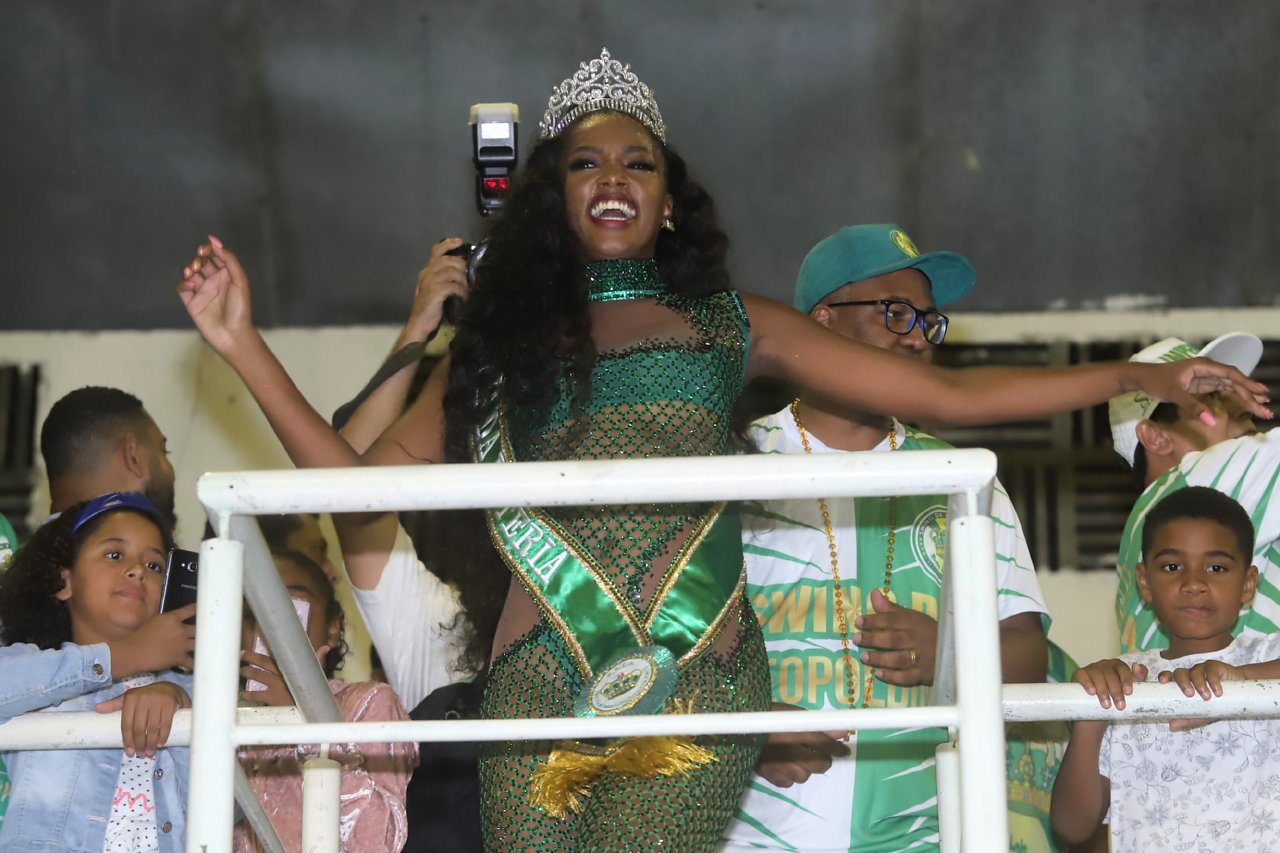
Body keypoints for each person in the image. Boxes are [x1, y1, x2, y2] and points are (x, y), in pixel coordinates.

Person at [176, 49, 1267, 853]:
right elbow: (349, 489)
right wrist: (242, 344)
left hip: (696, 681)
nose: (613, 175)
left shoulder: (728, 324)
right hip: (536, 687)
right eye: (585, 161)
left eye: (638, 161)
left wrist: (1141, 377)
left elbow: (946, 393)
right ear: (553, 196)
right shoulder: (495, 348)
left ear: (666, 199)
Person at [719, 225, 1051, 853]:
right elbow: (663, 642)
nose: (918, 337)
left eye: (929, 321)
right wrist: (744, 726)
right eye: (896, 313)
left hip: (923, 836)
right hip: (752, 833)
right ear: (820, 321)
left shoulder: (962, 478)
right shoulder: (731, 464)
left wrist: (951, 654)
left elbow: (1029, 655)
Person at [1051, 487, 1280, 851]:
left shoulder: (1266, 658)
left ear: (1248, 584)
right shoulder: (1125, 682)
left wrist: (1243, 680)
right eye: (1172, 567)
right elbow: (1072, 828)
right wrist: (1089, 721)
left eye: (1216, 568)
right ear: (1144, 582)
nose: (1194, 584)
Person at [0, 492, 197, 852]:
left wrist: (180, 705)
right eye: (115, 555)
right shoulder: (33, 667)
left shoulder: (191, 690)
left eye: (154, 565)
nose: (137, 570)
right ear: (64, 582)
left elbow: (230, 809)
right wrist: (125, 655)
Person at [235, 549, 418, 853]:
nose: (272, 627)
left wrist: (306, 726)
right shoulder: (230, 718)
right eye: (254, 615)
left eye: (291, 609)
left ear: (332, 628)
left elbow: (377, 840)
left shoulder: (367, 703)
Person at [1109, 333, 1278, 653]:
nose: (1242, 407)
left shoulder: (1146, 525)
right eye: (1211, 397)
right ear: (1156, 437)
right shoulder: (1200, 477)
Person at [40, 386, 177, 525]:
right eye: (164, 451)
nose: (172, 471)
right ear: (133, 457)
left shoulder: (40, 540)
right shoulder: (135, 537)